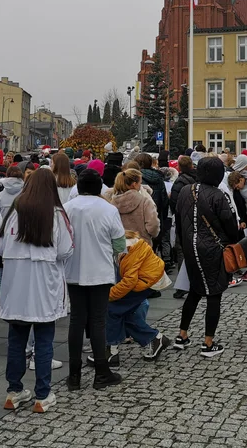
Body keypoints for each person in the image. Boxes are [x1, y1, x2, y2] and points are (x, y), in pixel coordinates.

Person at [0, 168, 74, 413]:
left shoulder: (14, 212)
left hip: (15, 283)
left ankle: (14, 391)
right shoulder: (56, 214)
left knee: (16, 340)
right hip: (44, 283)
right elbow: (65, 250)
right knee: (43, 340)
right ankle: (43, 394)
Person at [63, 169, 126, 391]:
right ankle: (101, 372)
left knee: (77, 321)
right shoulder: (108, 209)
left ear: (78, 187)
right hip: (100, 271)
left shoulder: (67, 209)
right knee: (99, 321)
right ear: (99, 187)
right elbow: (119, 244)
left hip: (73, 270)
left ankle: (74, 376)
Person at [173, 156, 238, 358]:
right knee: (214, 293)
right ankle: (208, 343)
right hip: (212, 248)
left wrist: (182, 247)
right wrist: (233, 240)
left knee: (195, 290)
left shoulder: (185, 190)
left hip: (190, 248)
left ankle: (182, 335)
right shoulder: (218, 195)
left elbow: (178, 218)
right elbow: (230, 224)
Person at [97, 230, 171, 364]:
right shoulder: (125, 243)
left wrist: (108, 295)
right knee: (126, 314)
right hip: (148, 278)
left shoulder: (126, 248)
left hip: (146, 281)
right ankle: (155, 339)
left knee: (112, 309)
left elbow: (129, 282)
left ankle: (112, 351)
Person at [169, 156, 197, 300]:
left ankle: (182, 286)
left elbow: (174, 202)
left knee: (182, 251)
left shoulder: (179, 182)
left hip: (183, 221)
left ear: (179, 167)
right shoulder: (198, 178)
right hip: (197, 219)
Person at [109, 168, 160, 246]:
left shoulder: (112, 203)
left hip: (120, 246)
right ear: (134, 184)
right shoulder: (145, 202)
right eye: (140, 183)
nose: (141, 185)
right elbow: (153, 226)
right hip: (142, 245)